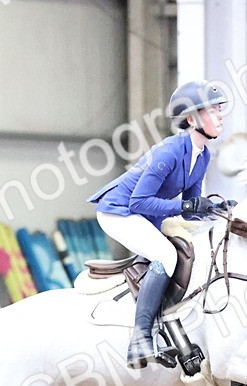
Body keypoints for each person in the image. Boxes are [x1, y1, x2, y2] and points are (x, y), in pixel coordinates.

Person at [88, 80, 227, 368]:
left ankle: (169, 328)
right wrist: (186, 206)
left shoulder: (202, 155)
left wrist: (216, 209)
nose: (220, 115)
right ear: (192, 119)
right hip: (119, 212)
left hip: (145, 215)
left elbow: (190, 210)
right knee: (166, 254)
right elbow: (139, 201)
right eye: (213, 110)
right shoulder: (169, 152)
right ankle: (139, 339)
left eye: (220, 109)